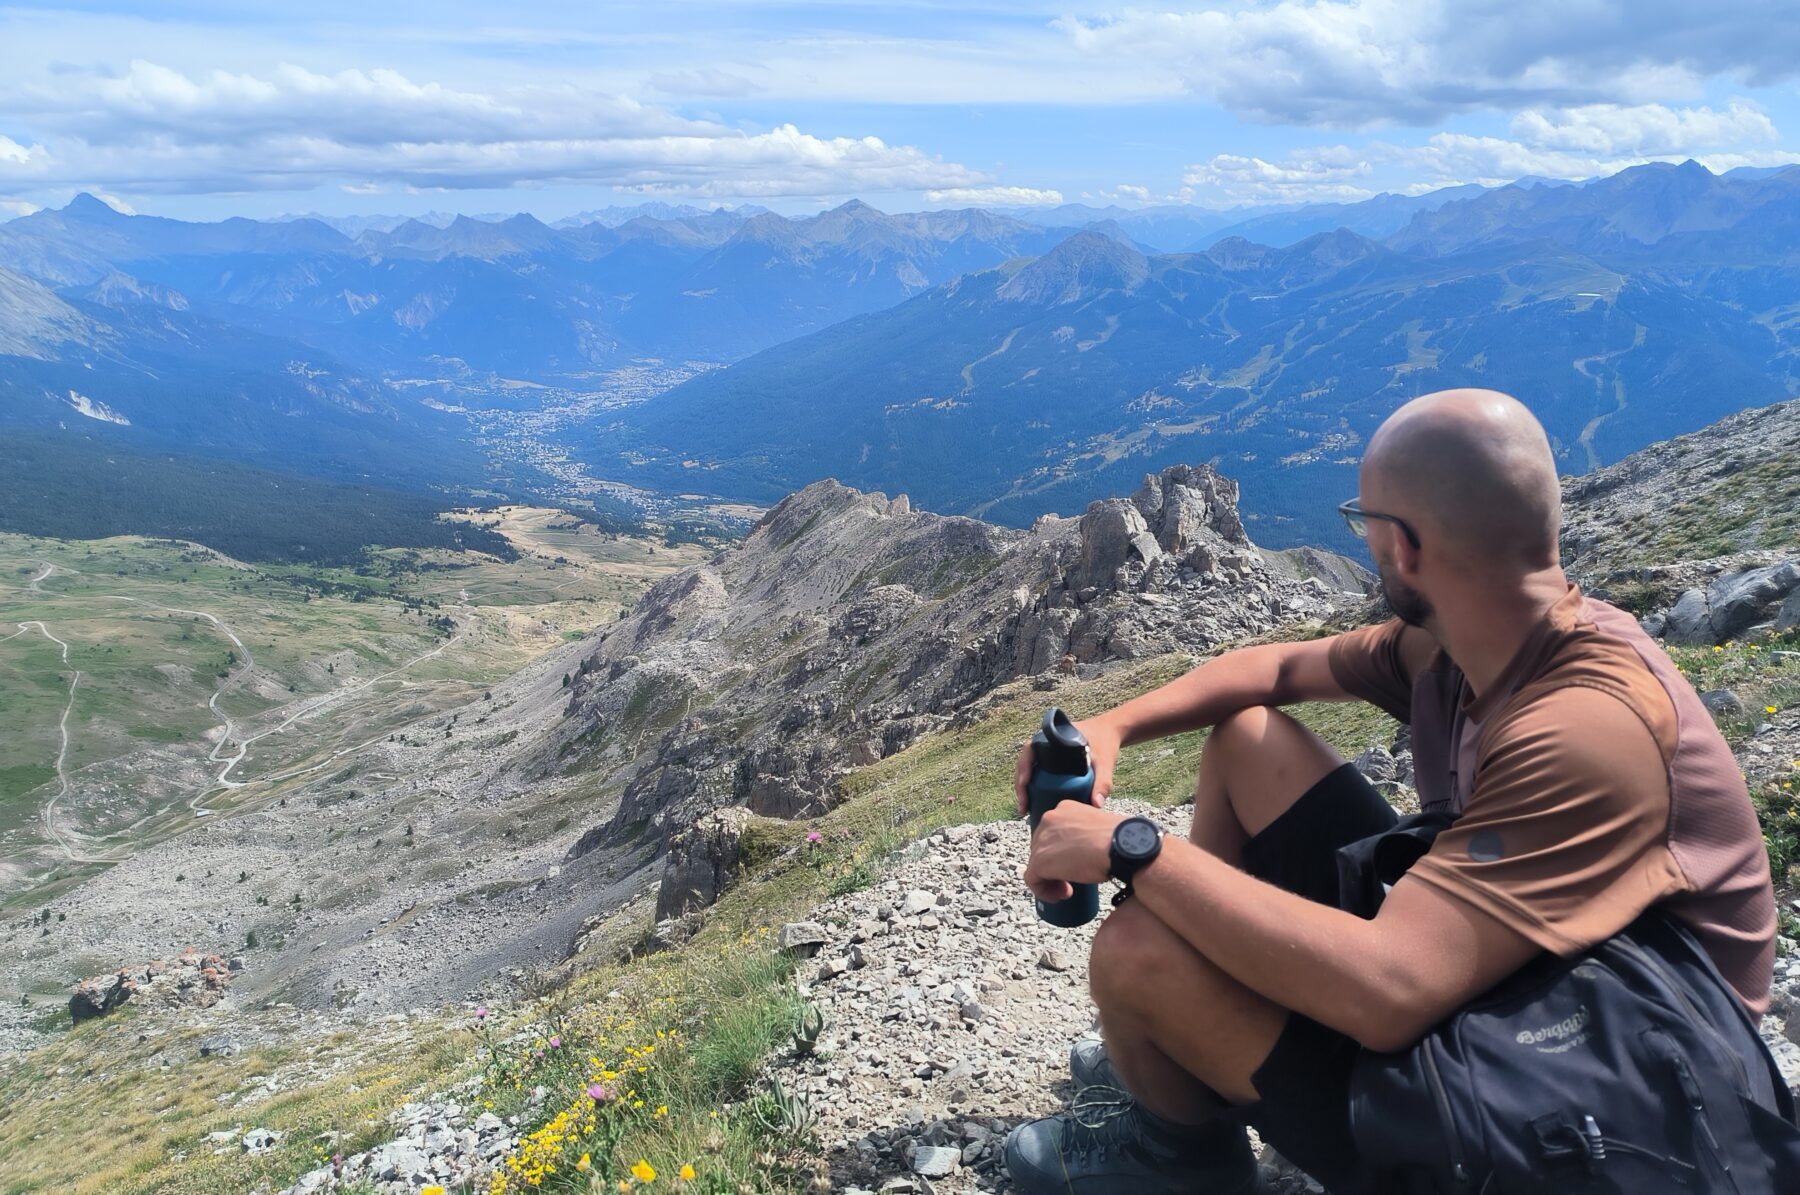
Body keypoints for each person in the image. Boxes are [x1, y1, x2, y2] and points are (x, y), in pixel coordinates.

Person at [1004, 388, 1778, 1194]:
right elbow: (1271, 672)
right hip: (1517, 975)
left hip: (1591, 1087)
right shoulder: (1468, 638)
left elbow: (1391, 990)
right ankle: (1191, 1037)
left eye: (1361, 519)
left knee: (1133, 955)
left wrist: (1137, 849)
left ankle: (1185, 1154)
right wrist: (1115, 725)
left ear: (1403, 547)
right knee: (1249, 738)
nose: (1362, 537)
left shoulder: (1586, 728)